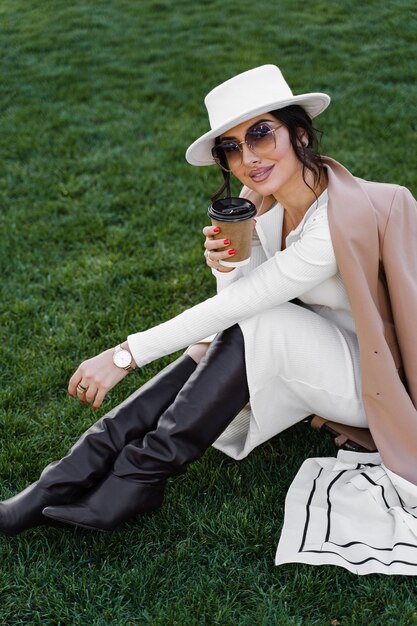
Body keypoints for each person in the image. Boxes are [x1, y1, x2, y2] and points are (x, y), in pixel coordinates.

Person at [1, 64, 417, 537]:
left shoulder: (341, 218)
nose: (249, 158)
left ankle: (138, 476)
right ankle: (61, 482)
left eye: (262, 134)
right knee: (222, 340)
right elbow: (236, 311)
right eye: (232, 147)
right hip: (316, 356)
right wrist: (230, 264)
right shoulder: (258, 203)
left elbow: (247, 310)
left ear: (300, 135)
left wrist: (125, 355)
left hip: (378, 381)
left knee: (264, 324)